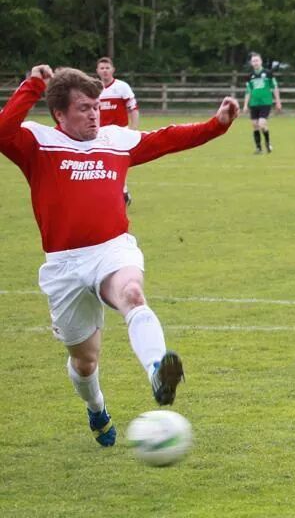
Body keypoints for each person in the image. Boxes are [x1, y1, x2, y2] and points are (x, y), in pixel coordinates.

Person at [0, 65, 239, 446]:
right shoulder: (37, 141)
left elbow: (168, 138)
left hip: (112, 249)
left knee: (132, 294)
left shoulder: (114, 139)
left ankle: (159, 370)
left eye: (96, 106)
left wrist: (217, 124)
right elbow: (2, 130)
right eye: (83, 108)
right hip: (64, 265)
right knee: (85, 361)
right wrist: (33, 85)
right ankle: (96, 407)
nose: (94, 113)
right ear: (59, 113)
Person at [96, 57, 138, 206]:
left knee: (118, 163)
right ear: (97, 71)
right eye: (102, 68)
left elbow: (133, 108)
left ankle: (123, 193)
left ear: (113, 70)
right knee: (103, 165)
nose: (105, 71)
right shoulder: (94, 89)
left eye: (107, 68)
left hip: (120, 132)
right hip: (100, 135)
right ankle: (119, 193)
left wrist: (133, 128)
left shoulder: (122, 87)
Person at [242, 52, 281, 154]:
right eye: (253, 61)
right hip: (254, 103)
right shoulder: (250, 76)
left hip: (265, 102)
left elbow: (274, 87)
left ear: (261, 61)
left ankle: (267, 144)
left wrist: (278, 102)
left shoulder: (268, 73)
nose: (255, 63)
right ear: (251, 63)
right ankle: (258, 148)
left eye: (257, 60)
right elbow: (248, 91)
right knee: (255, 125)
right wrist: (245, 105)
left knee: (261, 124)